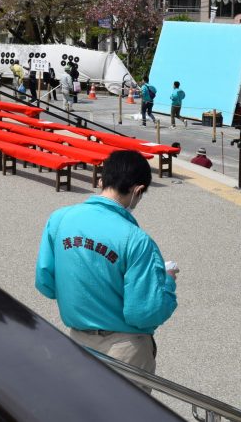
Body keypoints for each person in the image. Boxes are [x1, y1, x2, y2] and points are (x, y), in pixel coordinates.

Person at [35, 150, 178, 380]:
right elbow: (143, 313)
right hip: (126, 350)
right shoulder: (137, 240)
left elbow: (46, 283)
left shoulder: (60, 219)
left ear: (101, 180)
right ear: (138, 190)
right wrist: (167, 281)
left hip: (79, 340)